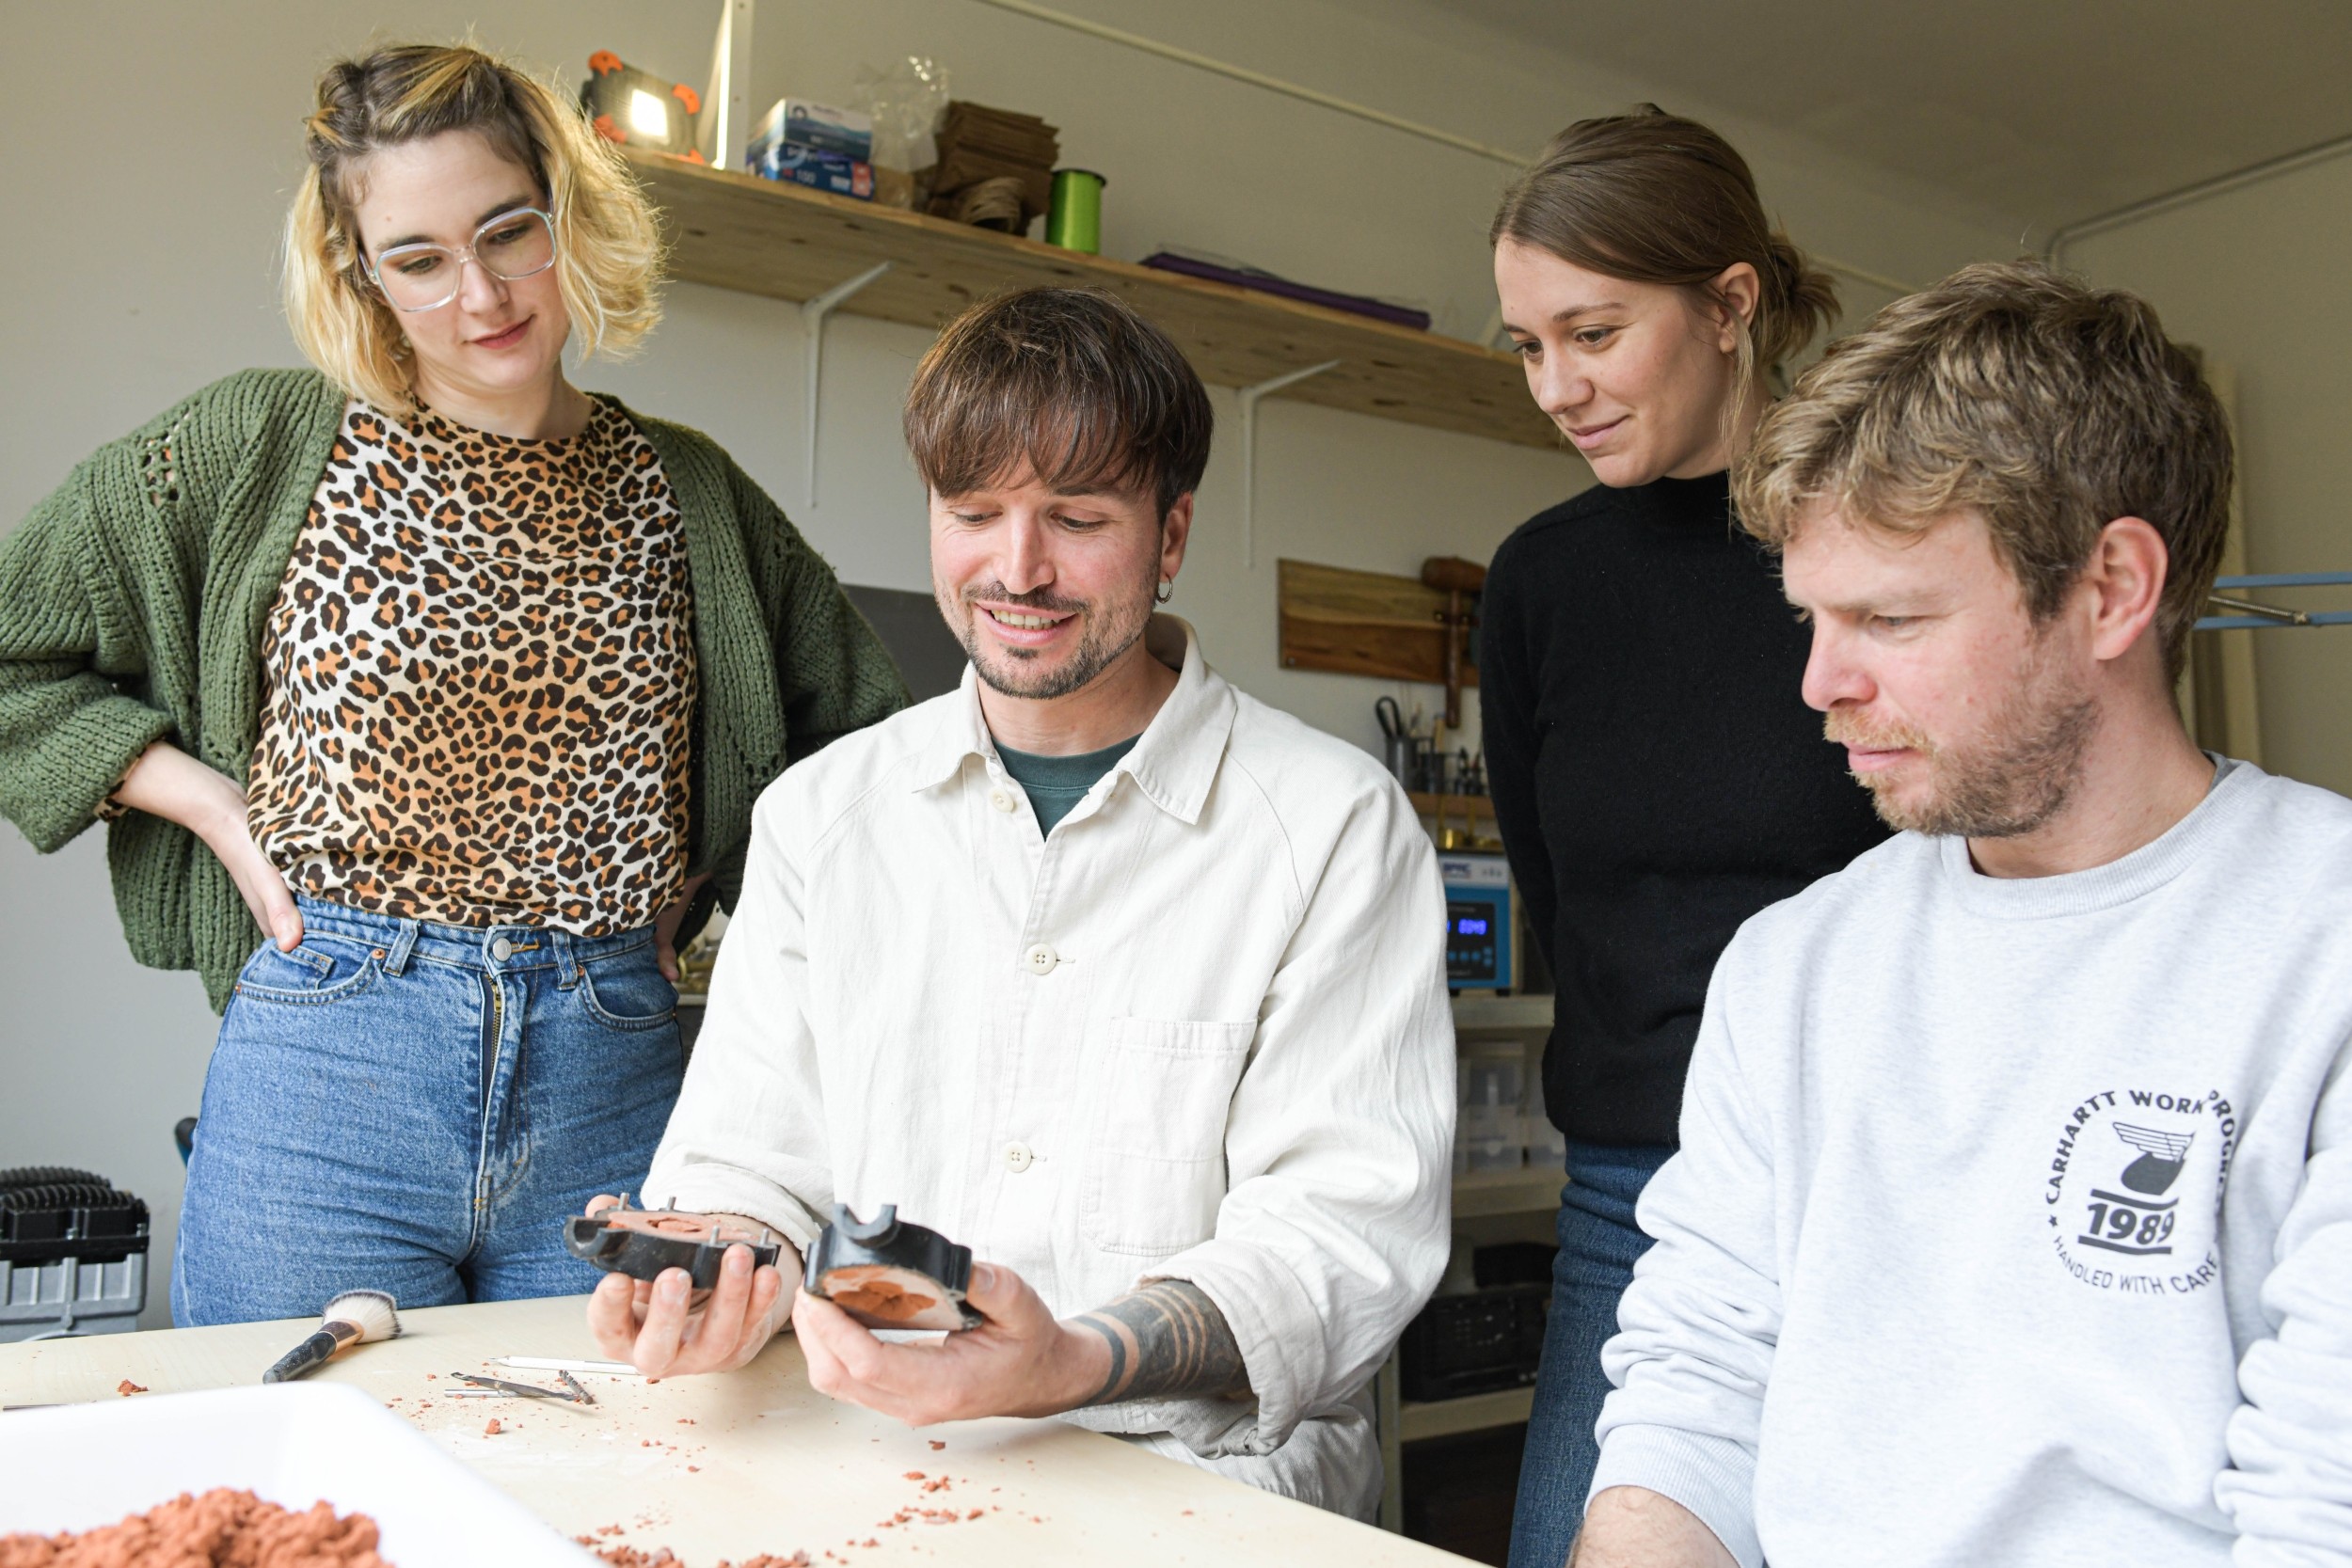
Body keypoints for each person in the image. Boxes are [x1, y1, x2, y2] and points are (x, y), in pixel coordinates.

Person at [0, 43, 905, 1326]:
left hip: (619, 1067)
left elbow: (865, 764)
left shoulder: (689, 493)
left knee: (598, 1490)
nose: (480, 294)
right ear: (357, 272)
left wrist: (716, 896)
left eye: (506, 233)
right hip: (335, 1064)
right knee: (300, 1486)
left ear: (564, 214)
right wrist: (207, 801)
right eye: (418, 259)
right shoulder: (257, 445)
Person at [582, 287, 1454, 1519]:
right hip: (876, 1469)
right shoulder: (824, 817)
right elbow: (754, 1152)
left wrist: (1073, 1362)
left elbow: (1338, 1237)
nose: (1018, 568)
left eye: (1078, 518)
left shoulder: (1332, 828)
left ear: (1173, 534)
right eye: (974, 513)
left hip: (1205, 1492)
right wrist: (713, 1259)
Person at [1572, 260, 2352, 1567]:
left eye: (1890, 616)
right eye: (1812, 619)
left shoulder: (2321, 940)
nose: (1823, 685)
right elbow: (1697, 1384)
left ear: (2111, 589)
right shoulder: (1795, 968)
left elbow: (2323, 1502)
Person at [1477, 107, 1890, 1563]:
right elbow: (1561, 891)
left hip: (1885, 1179)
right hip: (1635, 1192)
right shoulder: (1538, 585)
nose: (1556, 386)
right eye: (1528, 345)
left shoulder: (1868, 545)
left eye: (1591, 333)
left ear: (1731, 304)